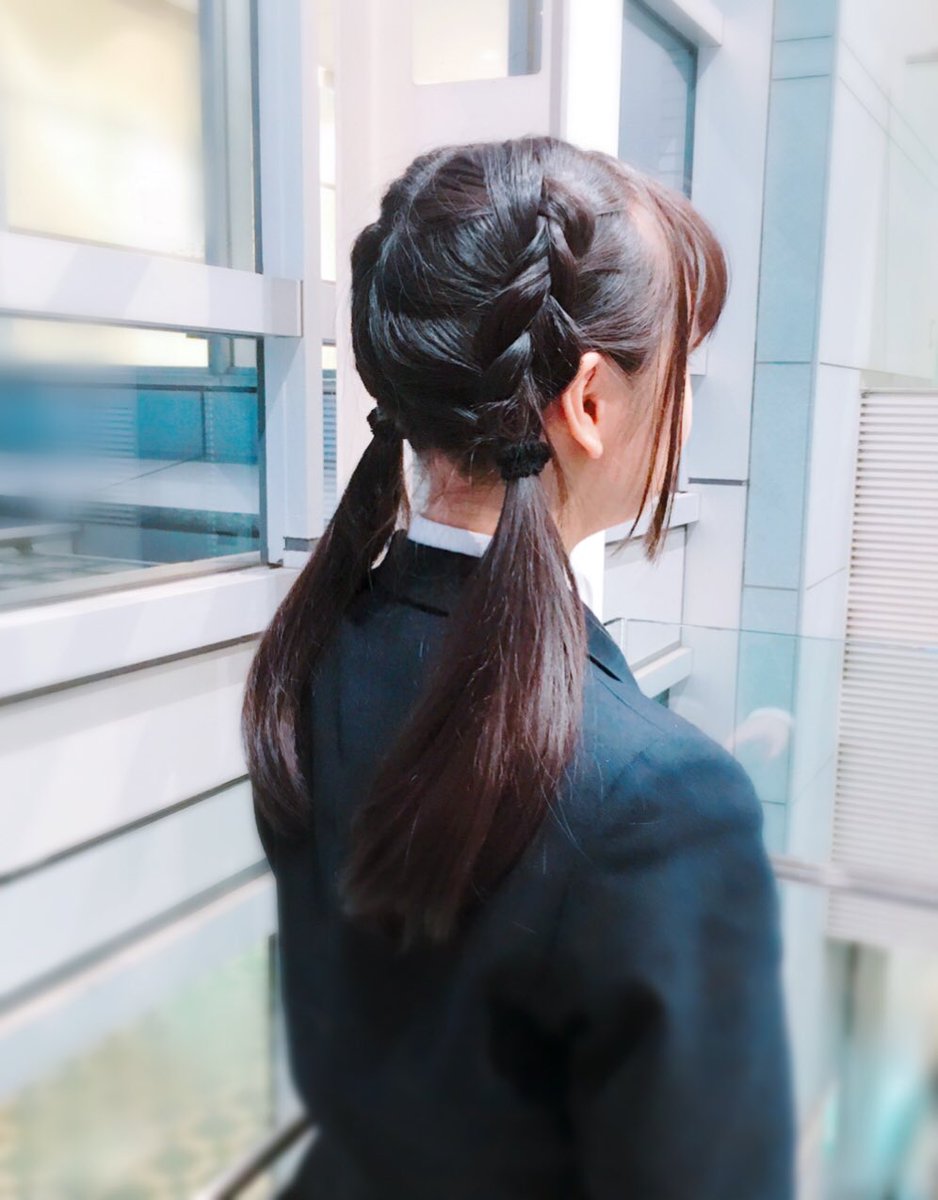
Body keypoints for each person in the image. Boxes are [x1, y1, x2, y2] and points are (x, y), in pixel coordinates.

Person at [242, 134, 796, 1199]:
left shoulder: (317, 653)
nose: (684, 407)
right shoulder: (665, 802)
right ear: (589, 402)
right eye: (680, 371)